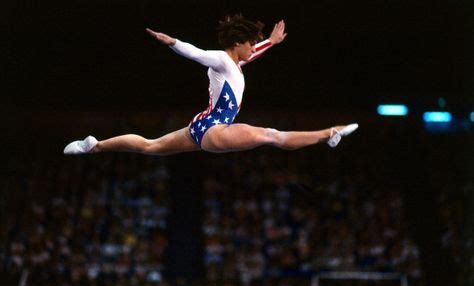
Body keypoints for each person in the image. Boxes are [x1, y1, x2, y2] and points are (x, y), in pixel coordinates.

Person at [64, 15, 358, 156]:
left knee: (150, 146)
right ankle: (329, 134)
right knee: (272, 136)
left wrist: (272, 41)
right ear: (237, 43)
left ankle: (95, 146)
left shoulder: (234, 64)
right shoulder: (220, 59)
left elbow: (253, 55)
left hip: (202, 125)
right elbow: (198, 54)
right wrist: (174, 42)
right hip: (215, 128)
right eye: (250, 43)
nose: (253, 47)